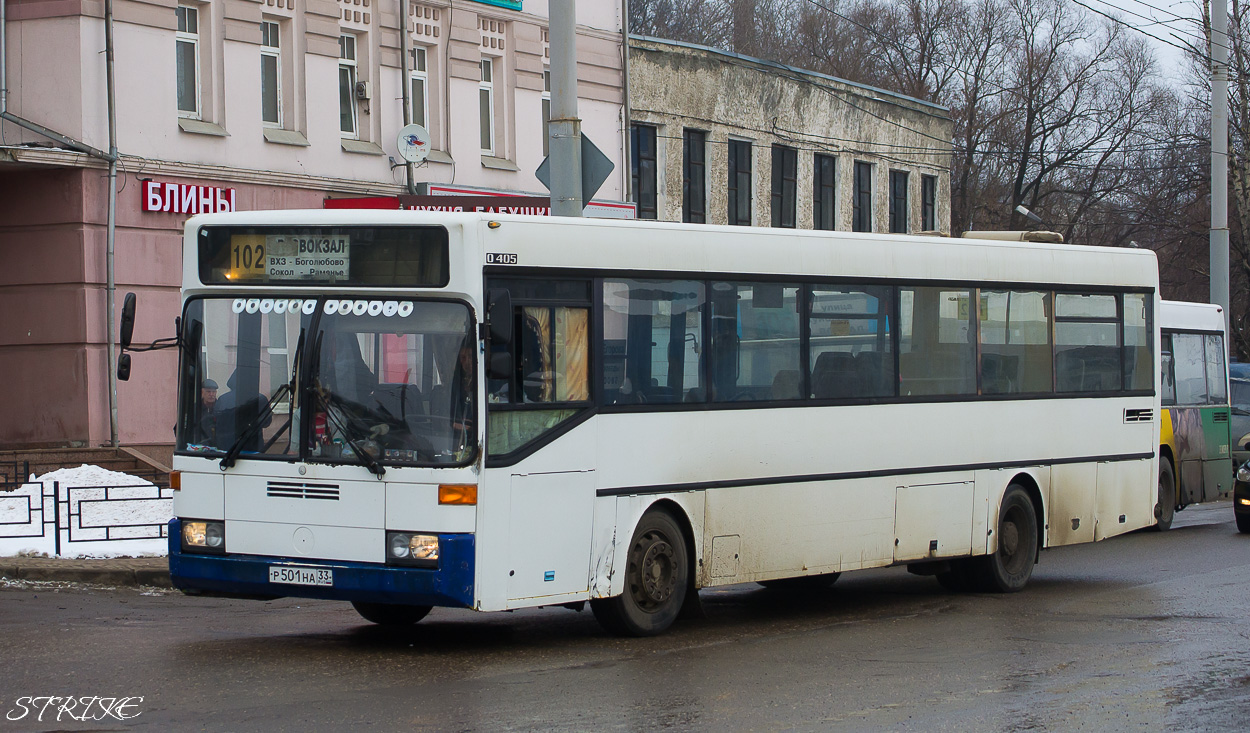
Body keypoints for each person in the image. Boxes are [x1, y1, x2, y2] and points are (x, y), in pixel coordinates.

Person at [196, 379, 219, 445]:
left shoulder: (221, 407)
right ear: (202, 392)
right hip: (199, 446)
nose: (211, 394)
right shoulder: (195, 408)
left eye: (213, 392)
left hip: (218, 446)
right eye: (208, 392)